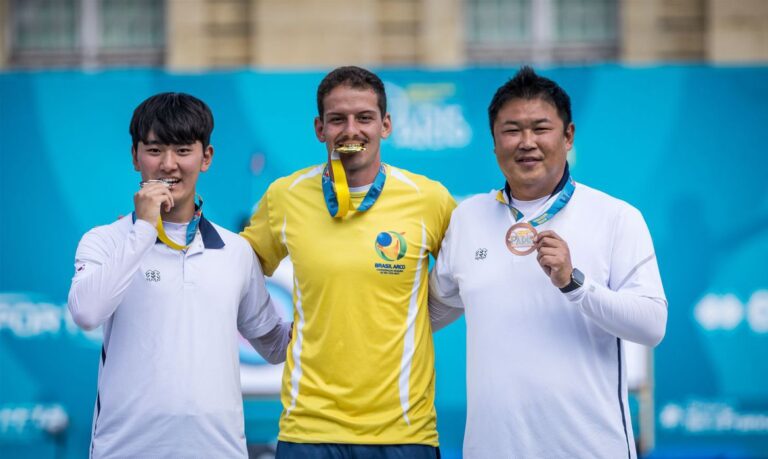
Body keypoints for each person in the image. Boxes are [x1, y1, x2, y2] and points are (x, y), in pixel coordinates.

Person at [429, 66, 668, 458]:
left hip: (589, 449)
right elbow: (427, 313)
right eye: (511, 130)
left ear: (568, 136)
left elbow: (651, 325)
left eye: (540, 128)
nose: (526, 142)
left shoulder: (616, 217)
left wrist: (576, 284)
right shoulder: (467, 218)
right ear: (493, 142)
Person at [240, 66, 456, 458]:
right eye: (338, 119)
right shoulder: (285, 196)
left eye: (365, 118)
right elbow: (236, 271)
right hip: (308, 430)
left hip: (404, 435)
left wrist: (418, 321)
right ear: (319, 128)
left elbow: (469, 275)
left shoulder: (429, 199)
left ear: (385, 125)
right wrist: (270, 337)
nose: (351, 130)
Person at [67, 92, 291, 458]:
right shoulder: (105, 240)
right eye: (155, 150)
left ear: (206, 157)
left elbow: (272, 345)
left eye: (183, 150)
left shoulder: (236, 251)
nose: (169, 165)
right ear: (135, 156)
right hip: (124, 451)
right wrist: (143, 229)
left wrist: (321, 320)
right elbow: (86, 313)